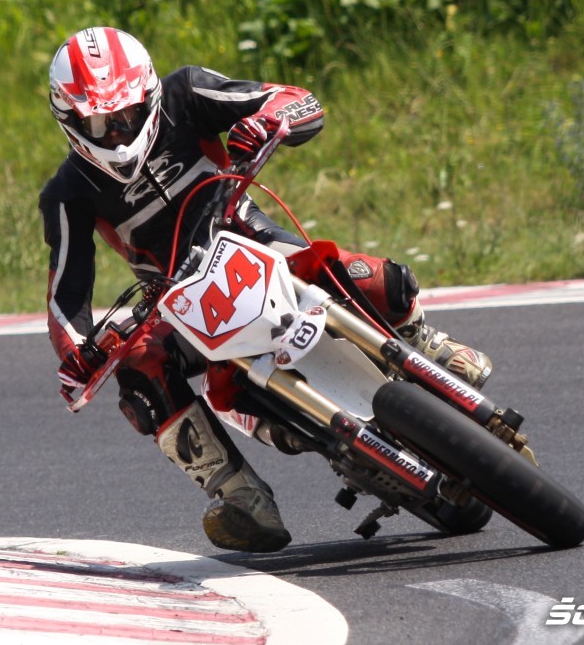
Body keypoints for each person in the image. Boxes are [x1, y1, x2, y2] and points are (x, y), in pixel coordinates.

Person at [39, 27, 492, 553]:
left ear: (151, 95)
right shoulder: (66, 194)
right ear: (69, 121)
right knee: (140, 374)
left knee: (376, 277)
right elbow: (66, 295)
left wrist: (268, 121)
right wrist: (78, 352)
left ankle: (425, 340)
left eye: (128, 115)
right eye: (99, 124)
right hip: (180, 303)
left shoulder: (188, 92)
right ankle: (239, 495)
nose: (117, 135)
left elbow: (298, 99)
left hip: (255, 241)